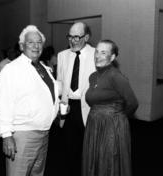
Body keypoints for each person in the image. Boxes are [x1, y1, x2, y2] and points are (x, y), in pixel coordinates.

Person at [0, 25, 60, 176]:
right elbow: (3, 103)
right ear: (22, 46)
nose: (36, 46)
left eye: (39, 42)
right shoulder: (12, 69)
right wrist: (6, 135)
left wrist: (56, 106)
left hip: (44, 135)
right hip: (23, 136)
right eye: (31, 42)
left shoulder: (44, 68)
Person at [82, 40, 139, 176]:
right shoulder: (93, 76)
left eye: (103, 52)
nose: (98, 55)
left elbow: (133, 103)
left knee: (109, 163)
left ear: (112, 57)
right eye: (97, 51)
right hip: (94, 126)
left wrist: (117, 116)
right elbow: (94, 101)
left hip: (112, 127)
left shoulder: (116, 76)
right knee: (94, 161)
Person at [56, 22, 96, 176]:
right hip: (68, 108)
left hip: (88, 107)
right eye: (70, 36)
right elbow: (60, 83)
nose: (72, 40)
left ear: (86, 37)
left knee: (89, 149)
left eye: (77, 37)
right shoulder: (62, 55)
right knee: (70, 148)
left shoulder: (96, 54)